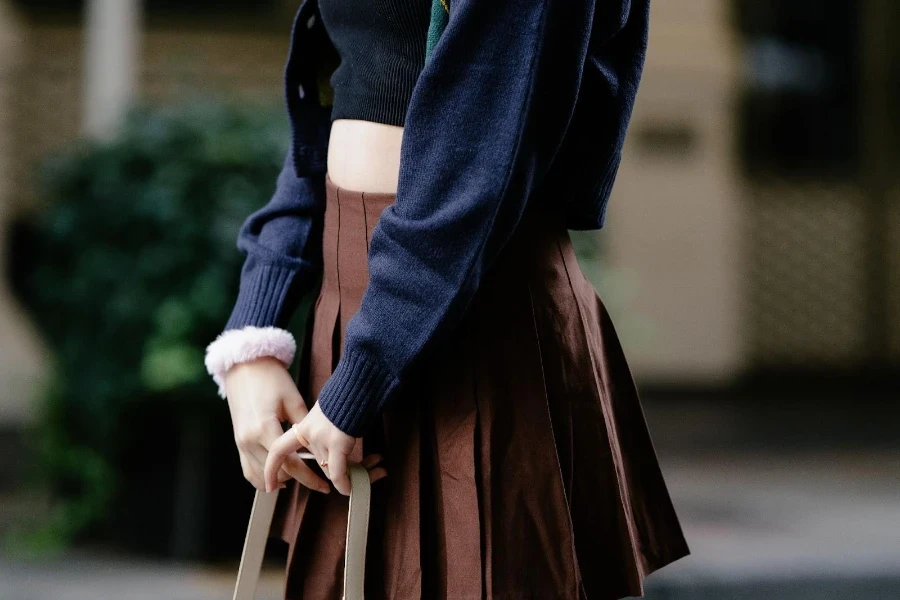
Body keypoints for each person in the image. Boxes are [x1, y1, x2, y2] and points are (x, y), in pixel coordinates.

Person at [204, 0, 690, 597]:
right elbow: (337, 109)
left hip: (477, 318)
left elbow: (482, 155)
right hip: (364, 327)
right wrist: (252, 341)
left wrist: (364, 373)